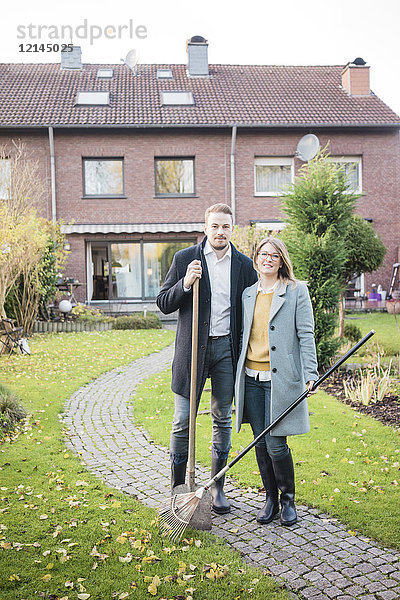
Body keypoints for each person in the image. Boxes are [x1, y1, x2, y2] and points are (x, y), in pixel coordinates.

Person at [157, 203, 257, 513]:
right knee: (181, 420)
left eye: (226, 227)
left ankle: (217, 486)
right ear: (205, 228)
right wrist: (185, 283)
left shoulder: (243, 265)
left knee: (222, 419)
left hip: (226, 350)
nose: (220, 232)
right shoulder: (185, 259)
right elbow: (163, 302)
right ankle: (178, 488)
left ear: (232, 229)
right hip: (191, 352)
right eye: (215, 226)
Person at [235, 237, 318, 526]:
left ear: (281, 261)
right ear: (256, 259)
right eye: (262, 254)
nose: (267, 259)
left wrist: (311, 374)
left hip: (280, 380)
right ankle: (269, 498)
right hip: (251, 379)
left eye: (273, 255)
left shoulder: (296, 291)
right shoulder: (247, 294)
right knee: (260, 442)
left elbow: (306, 335)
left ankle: (288, 499)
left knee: (276, 444)